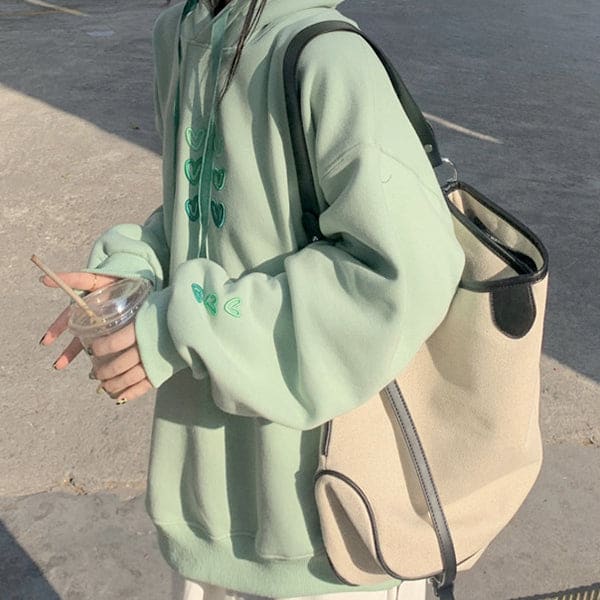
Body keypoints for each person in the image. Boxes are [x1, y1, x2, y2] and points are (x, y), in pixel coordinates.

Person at [39, 0, 465, 599]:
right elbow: (204, 217)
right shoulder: (182, 34)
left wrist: (180, 326)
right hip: (204, 516)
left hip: (330, 525)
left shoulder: (331, 60)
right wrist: (135, 272)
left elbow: (402, 275)